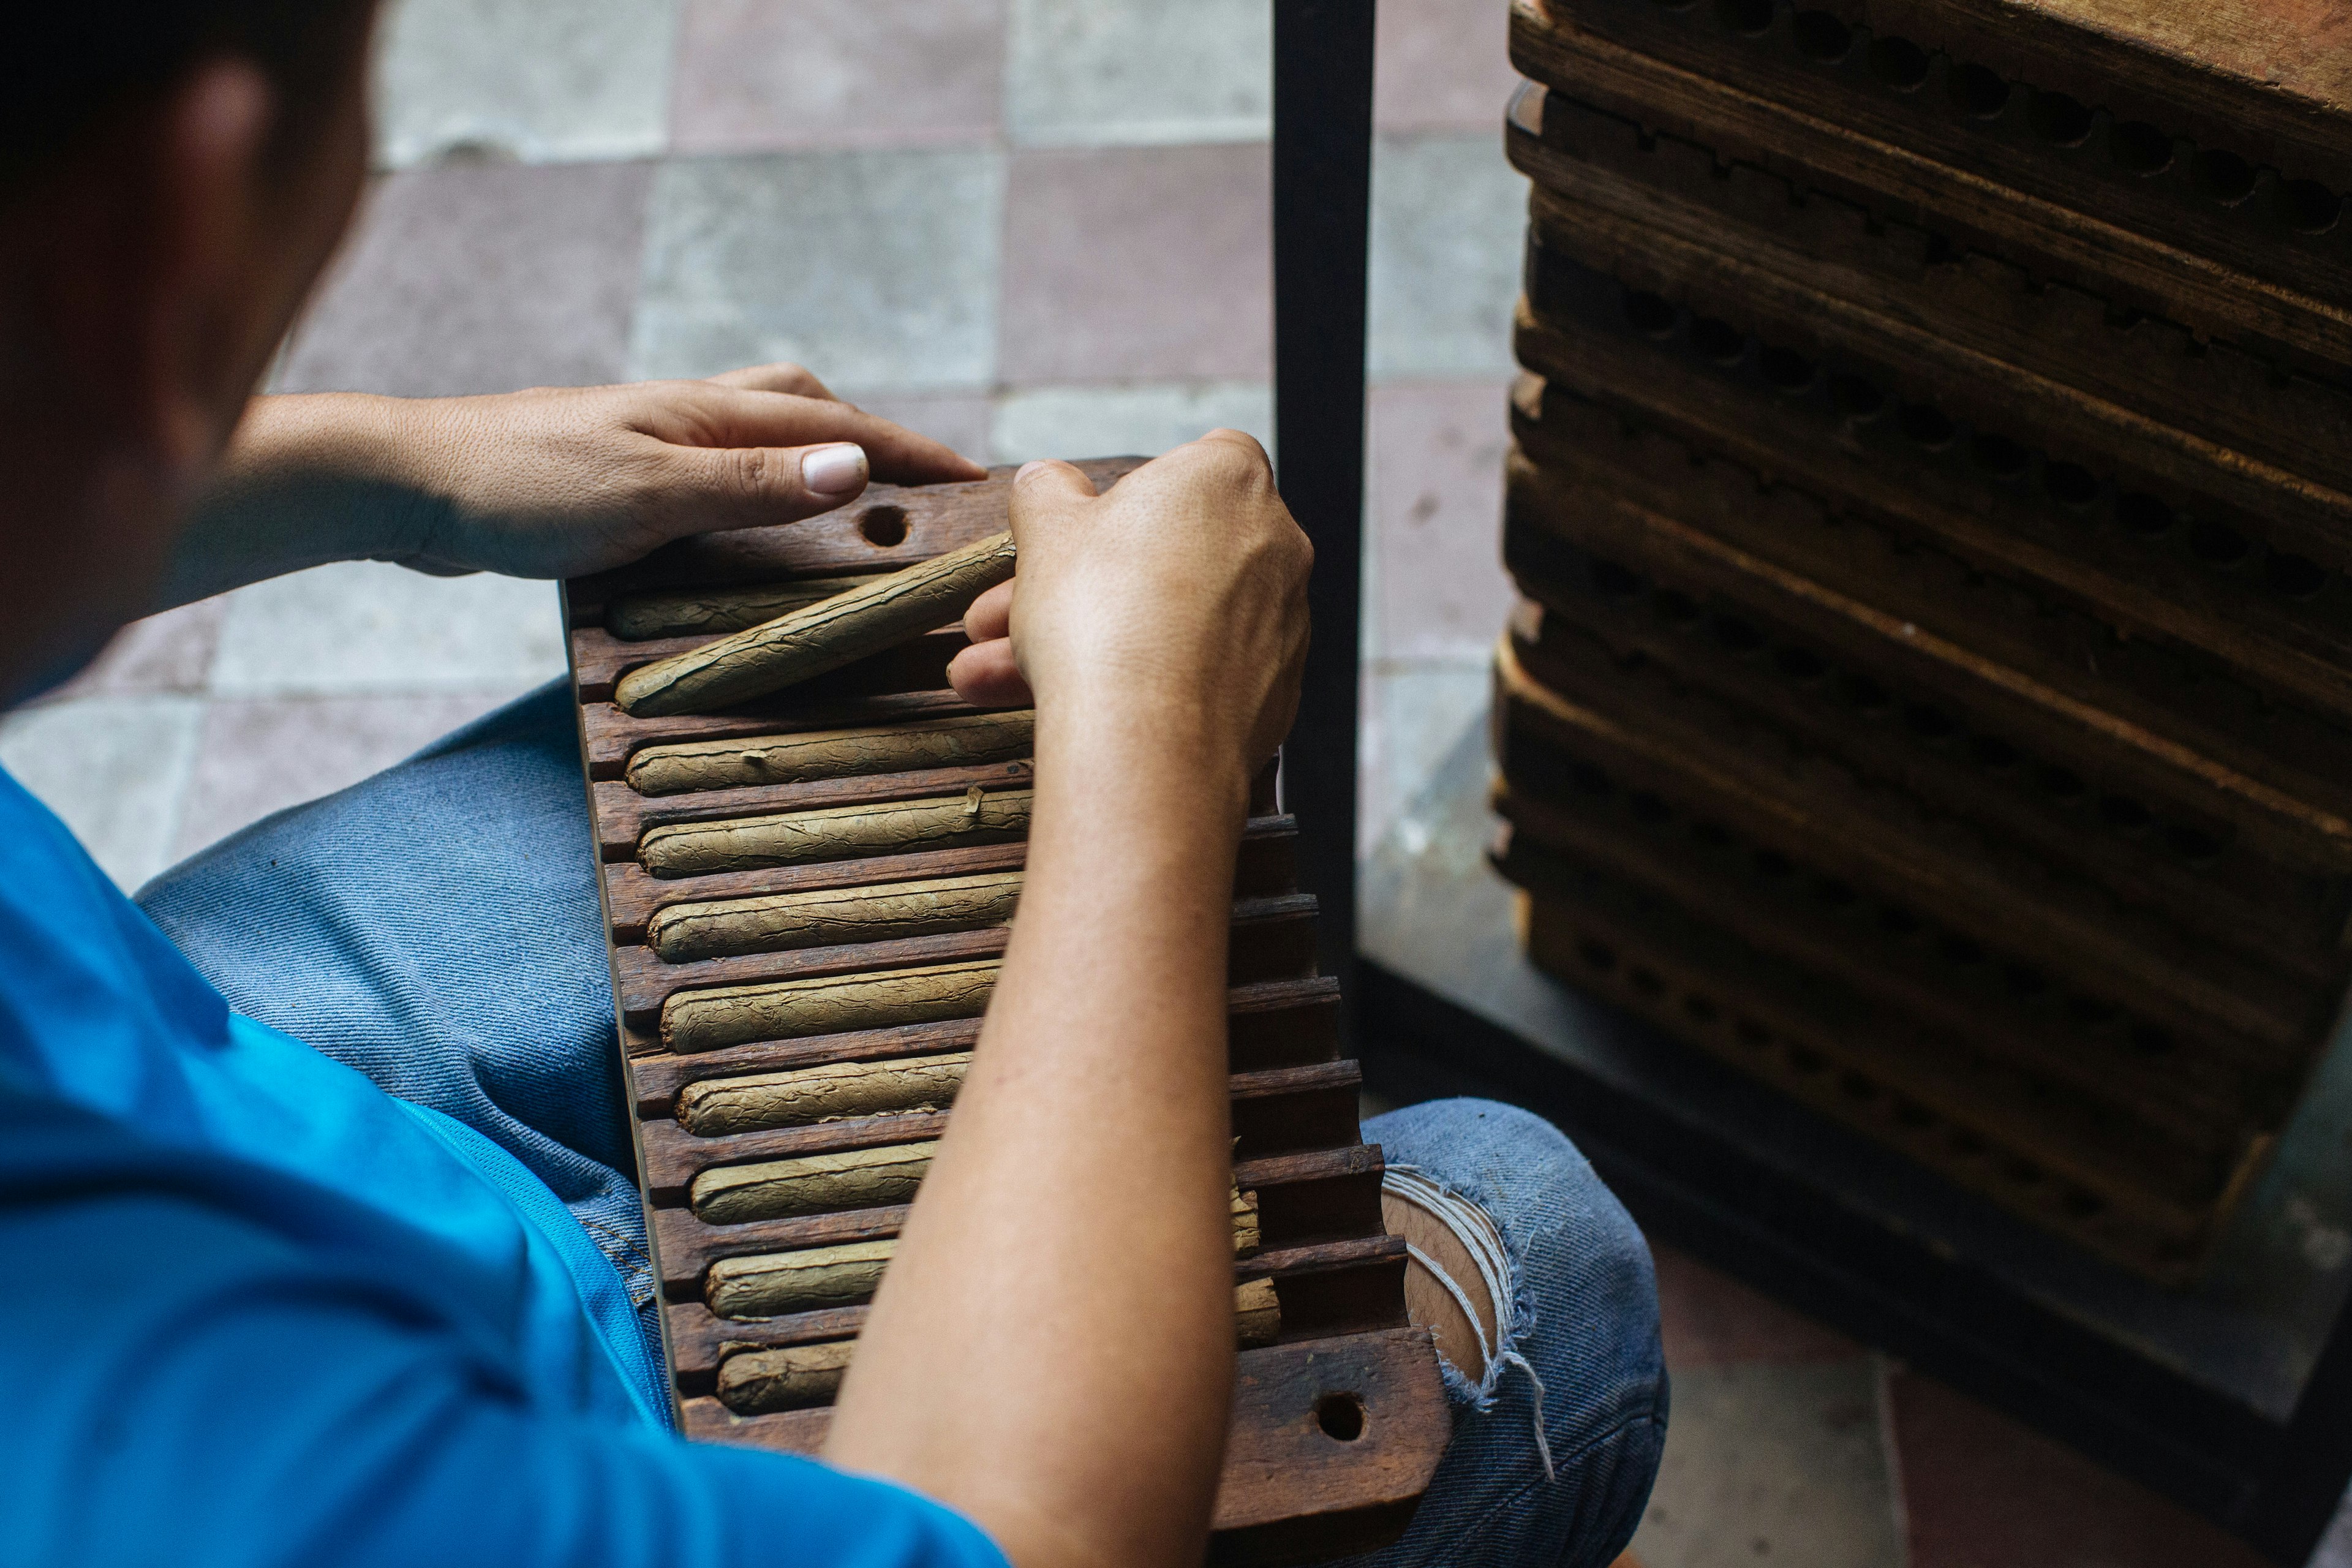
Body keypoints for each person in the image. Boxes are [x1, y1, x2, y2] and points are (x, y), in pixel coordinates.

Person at [0, 4, 1667, 1566]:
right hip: (406, 1408)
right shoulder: (243, 1497)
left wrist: (411, 472)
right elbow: (1005, 1541)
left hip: (194, 1071)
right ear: (174, 233)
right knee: (1543, 1245)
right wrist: (1152, 749)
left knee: (783, 714)